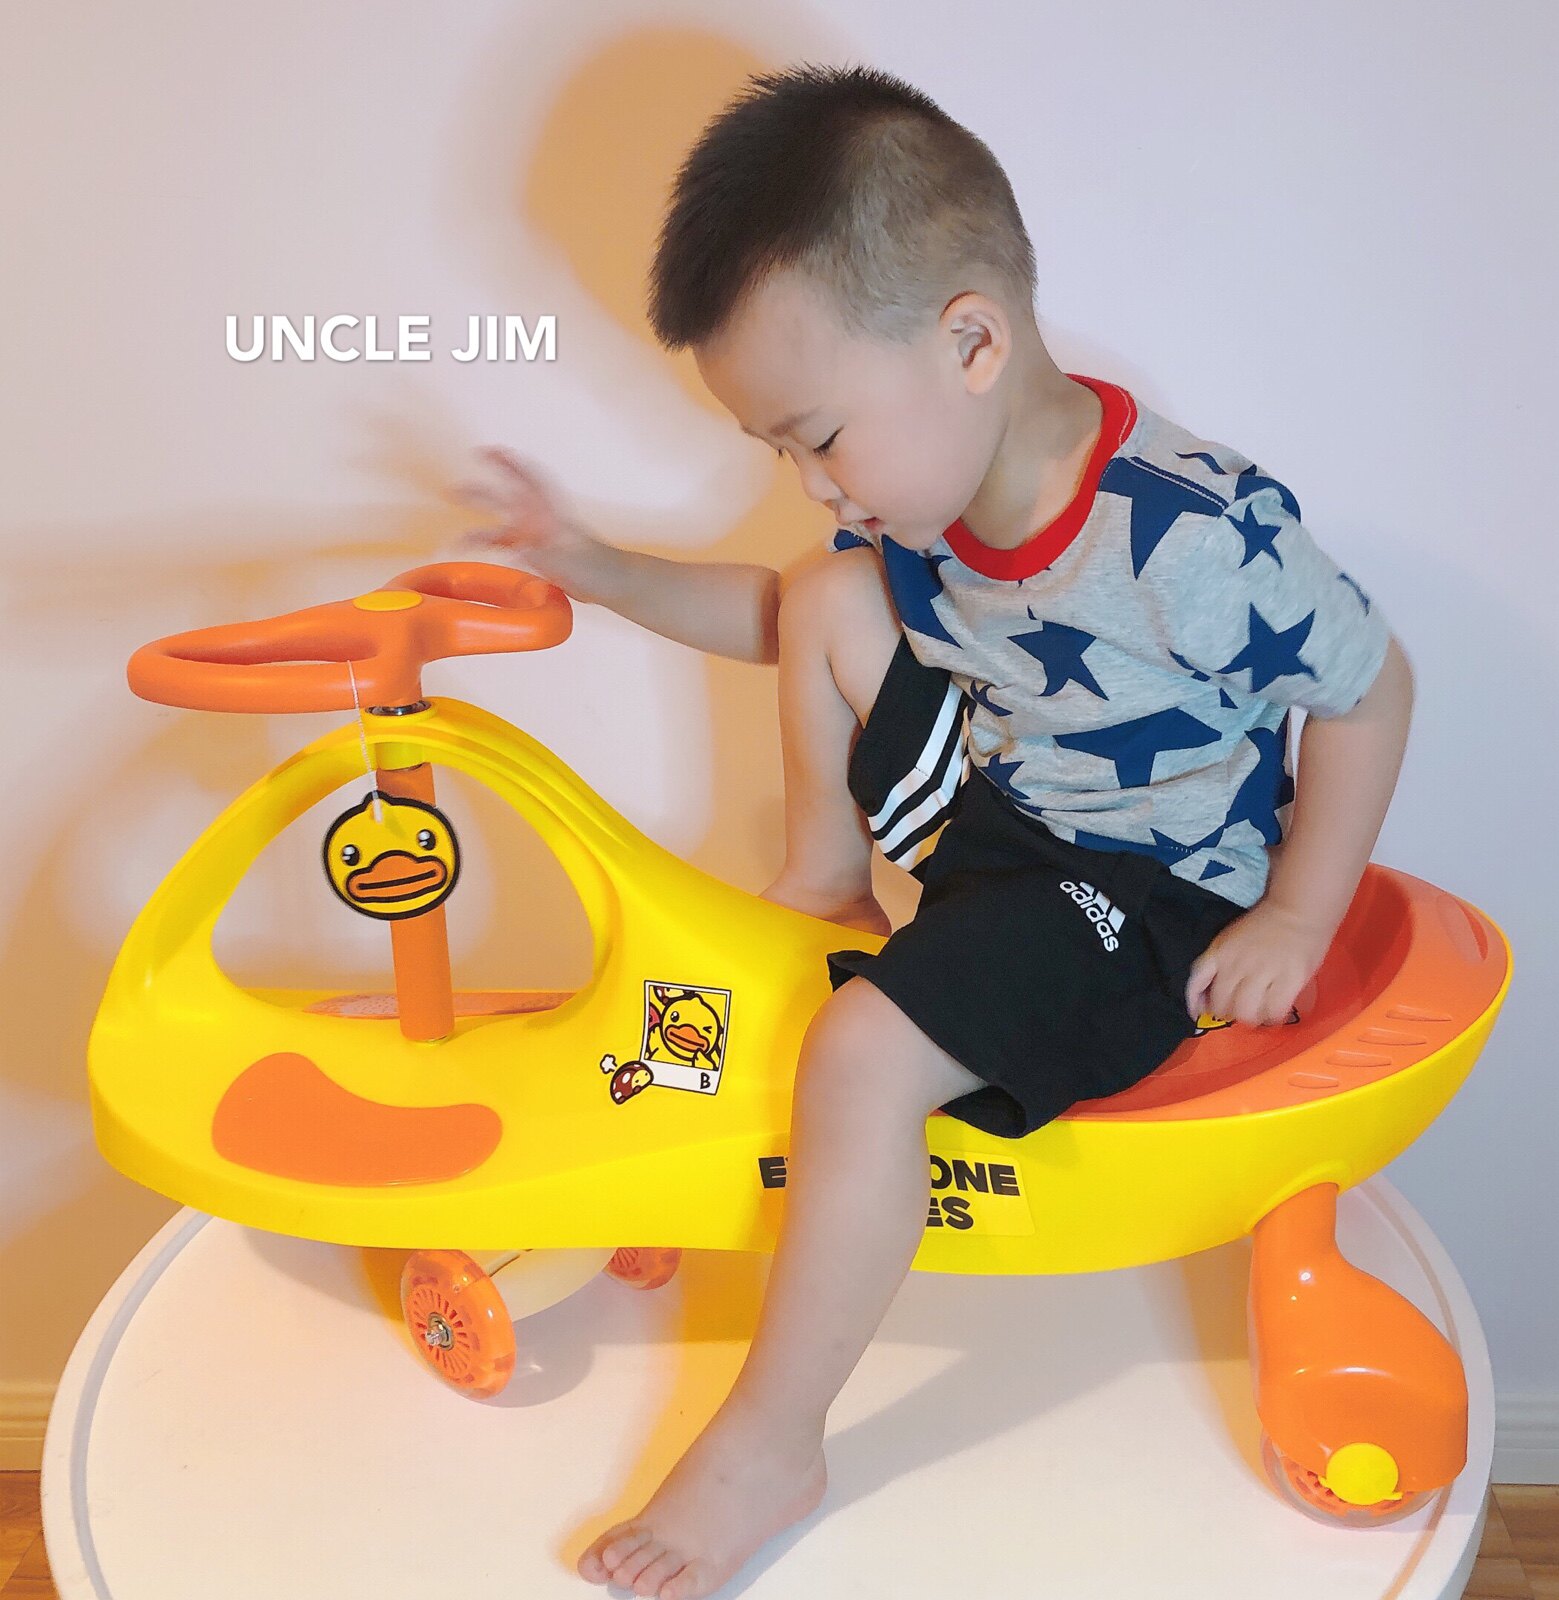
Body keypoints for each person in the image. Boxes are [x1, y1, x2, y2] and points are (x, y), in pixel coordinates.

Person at [453, 62, 1414, 1600]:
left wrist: (1296, 915)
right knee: (827, 595)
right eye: (782, 450)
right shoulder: (925, 503)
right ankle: (829, 880)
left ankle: (774, 1441)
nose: (808, 479)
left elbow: (1369, 690)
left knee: (859, 1056)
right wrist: (596, 565)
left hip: (1145, 895)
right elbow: (776, 619)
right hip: (1007, 824)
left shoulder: (1193, 534)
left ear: (972, 341)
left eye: (817, 437)